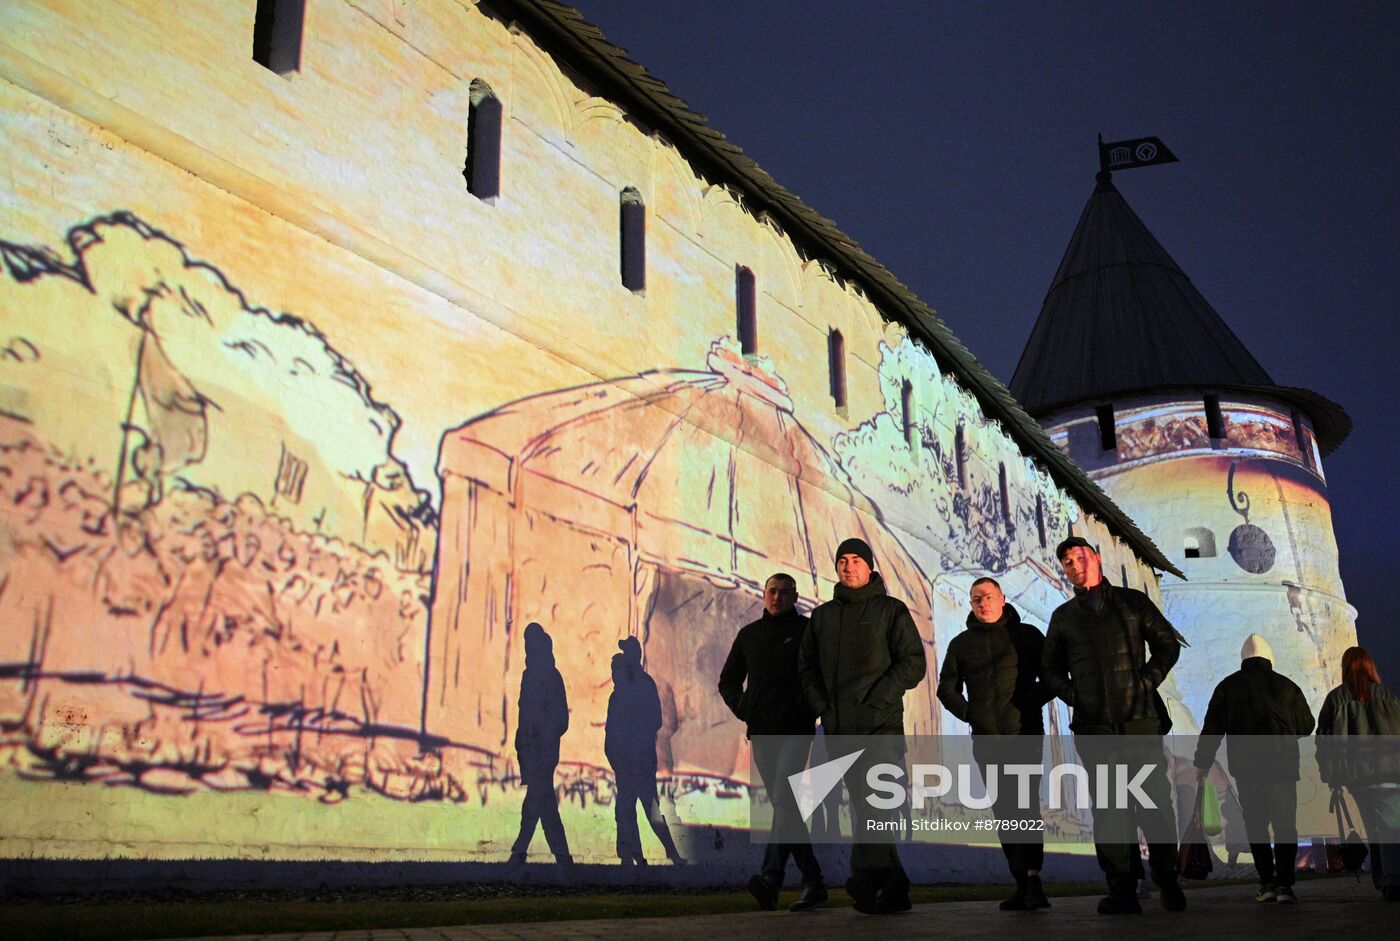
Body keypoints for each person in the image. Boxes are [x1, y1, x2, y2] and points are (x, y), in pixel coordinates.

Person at [1041, 536, 1185, 915]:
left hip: (1139, 719)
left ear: (1097, 559)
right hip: (1094, 726)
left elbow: (1167, 644)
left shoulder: (1132, 603)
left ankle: (1167, 878)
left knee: (1153, 802)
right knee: (1110, 809)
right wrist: (1074, 696)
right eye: (1068, 562)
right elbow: (1049, 668)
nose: (1076, 565)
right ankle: (1121, 887)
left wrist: (1147, 680)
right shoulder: (1064, 618)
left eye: (1081, 557)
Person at [798, 537, 927, 914]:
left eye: (856, 560)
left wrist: (878, 699)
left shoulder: (891, 610)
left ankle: (867, 878)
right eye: (842, 560)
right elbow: (805, 667)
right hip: (840, 729)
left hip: (881, 728)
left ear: (870, 567)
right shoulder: (822, 617)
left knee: (876, 806)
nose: (849, 566)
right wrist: (823, 707)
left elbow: (913, 664)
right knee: (865, 809)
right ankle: (886, 884)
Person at [938, 576, 1051, 910]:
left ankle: (1033, 879)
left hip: (1024, 734)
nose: (982, 603)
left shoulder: (1027, 636)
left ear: (1003, 598)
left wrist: (1028, 702)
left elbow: (1053, 676)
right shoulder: (961, 645)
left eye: (987, 596)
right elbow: (946, 688)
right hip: (986, 739)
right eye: (975, 599)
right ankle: (1020, 882)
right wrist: (972, 714)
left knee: (1025, 806)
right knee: (1003, 809)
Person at [719, 573, 827, 912]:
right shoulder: (749, 635)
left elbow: (822, 675)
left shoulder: (808, 632)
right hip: (762, 733)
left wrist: (811, 708)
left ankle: (771, 878)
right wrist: (745, 708)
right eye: (772, 591)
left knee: (783, 798)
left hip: (796, 730)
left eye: (783, 592)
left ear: (795, 596)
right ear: (764, 595)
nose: (777, 597)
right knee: (787, 807)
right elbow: (728, 682)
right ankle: (814, 882)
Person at [1192, 633, 1314, 903]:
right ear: (1270, 658)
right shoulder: (1287, 686)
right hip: (1282, 766)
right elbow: (1307, 725)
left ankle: (1266, 883)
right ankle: (1285, 884)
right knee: (1285, 825)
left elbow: (1212, 730)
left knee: (1256, 825)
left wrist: (1202, 763)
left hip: (1247, 769)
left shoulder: (1227, 687)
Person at [1316, 646, 1400, 901]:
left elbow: (1324, 742)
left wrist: (1331, 777)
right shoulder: (1387, 696)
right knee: (1390, 827)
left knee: (1376, 827)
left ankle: (1384, 880)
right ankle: (1392, 880)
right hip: (1389, 772)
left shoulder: (1335, 699)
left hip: (1357, 777)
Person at [605, 639, 685, 868]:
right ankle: (634, 857)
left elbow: (653, 721)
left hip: (638, 761)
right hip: (630, 762)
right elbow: (613, 729)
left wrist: (626, 747)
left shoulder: (637, 687)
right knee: (629, 811)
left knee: (644, 811)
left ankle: (660, 855)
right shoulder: (626, 690)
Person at [509, 623, 573, 869]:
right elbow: (525, 713)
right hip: (531, 750)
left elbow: (560, 720)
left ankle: (520, 850)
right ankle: (562, 857)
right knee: (543, 803)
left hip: (543, 751)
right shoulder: (531, 675)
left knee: (536, 801)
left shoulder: (549, 677)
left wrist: (543, 736)